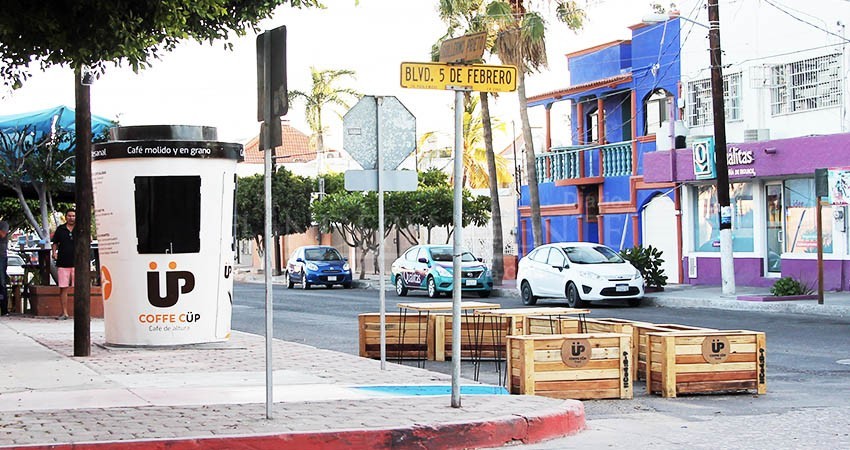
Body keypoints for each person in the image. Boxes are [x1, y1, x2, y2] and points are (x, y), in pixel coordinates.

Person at [51, 209, 76, 320]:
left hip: (78, 263)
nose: (71, 218)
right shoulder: (60, 229)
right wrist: (54, 253)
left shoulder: (80, 228)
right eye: (69, 216)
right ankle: (64, 312)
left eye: (73, 216)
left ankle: (79, 313)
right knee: (63, 288)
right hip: (63, 262)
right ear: (66, 217)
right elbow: (55, 243)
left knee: (79, 289)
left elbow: (88, 240)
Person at [0, 221, 8, 316]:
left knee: (2, 282)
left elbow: (2, 234)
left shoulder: (3, 224)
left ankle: (4, 309)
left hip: (1, 256)